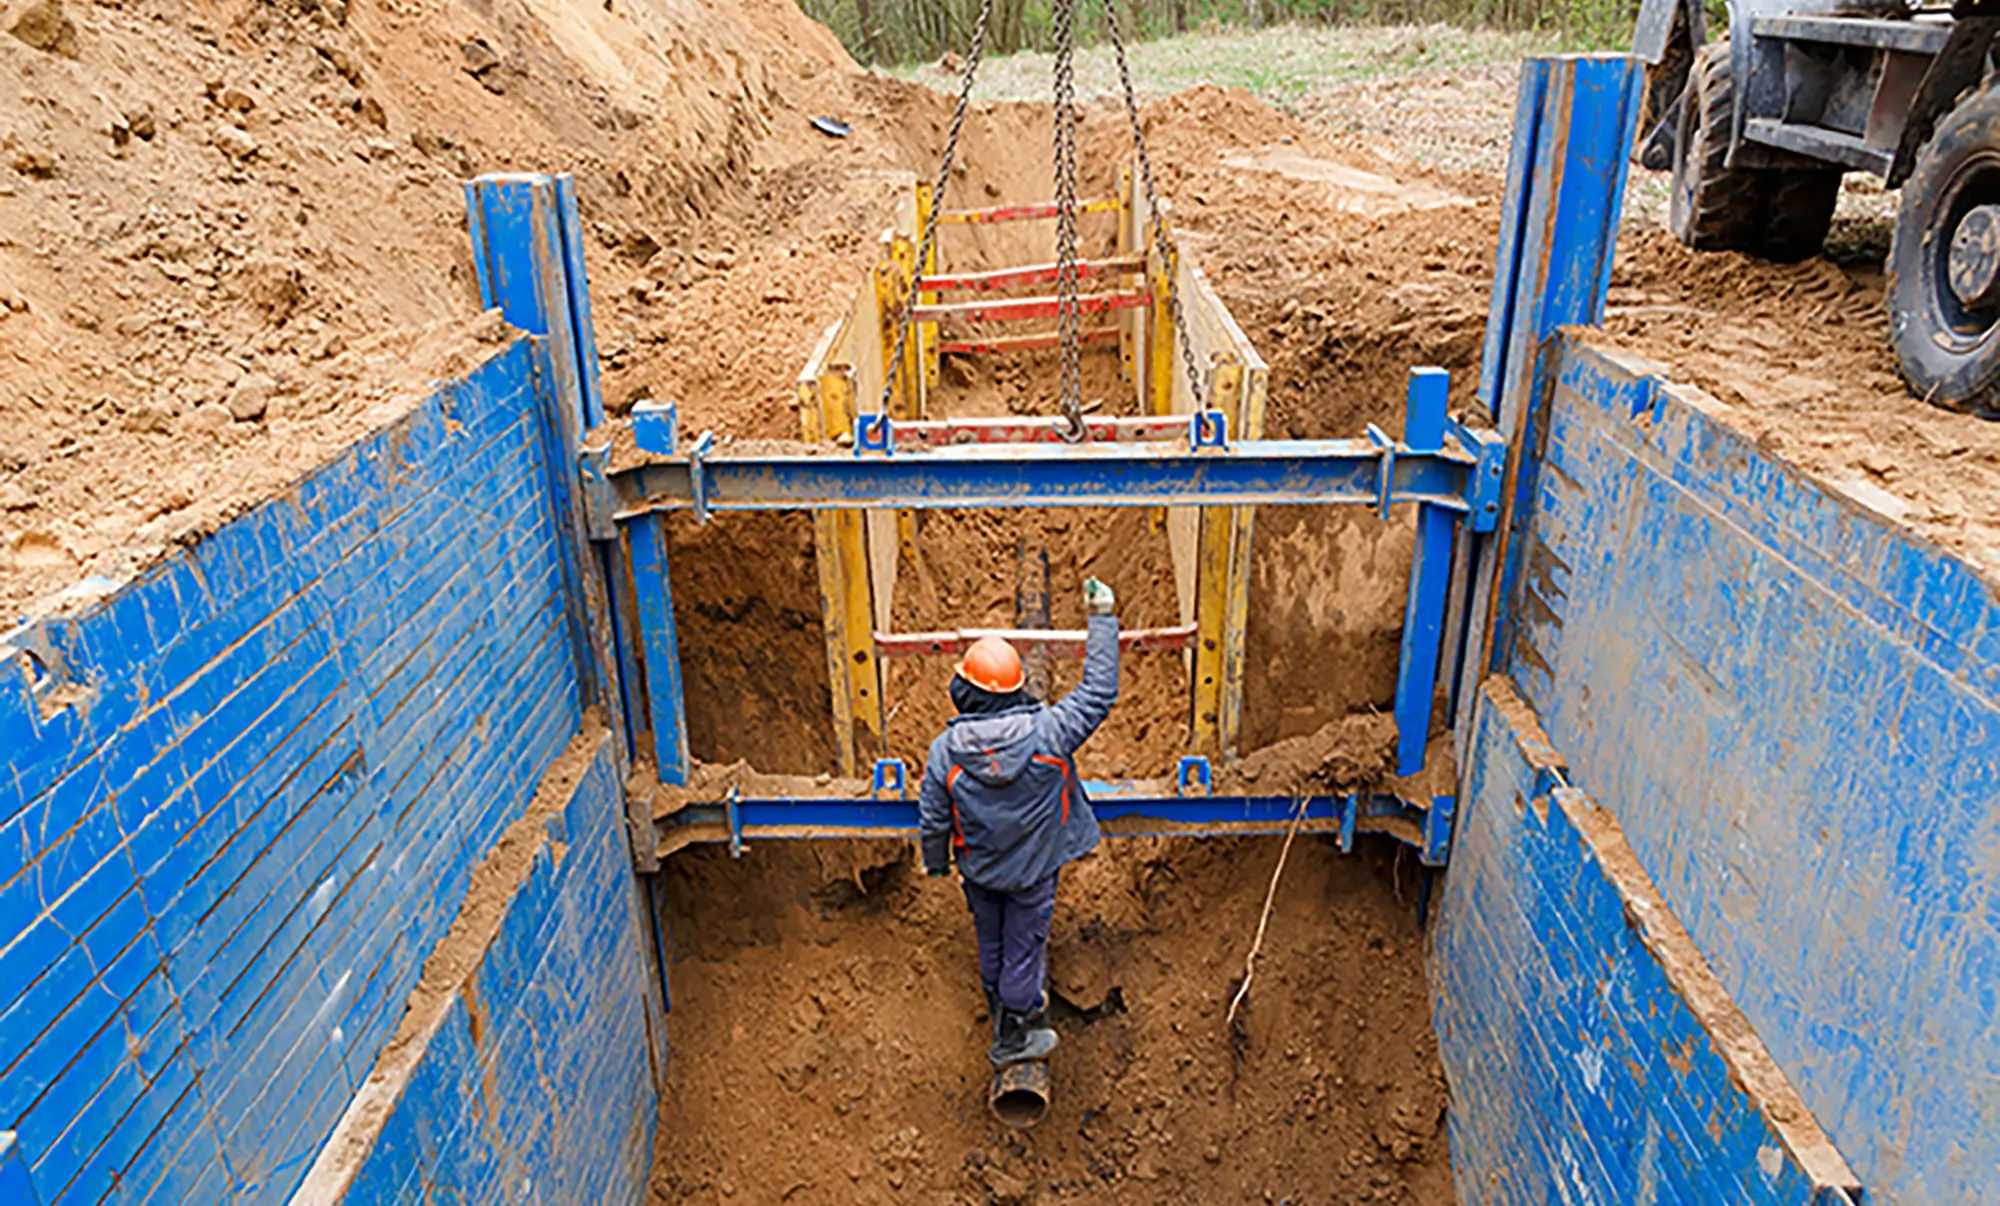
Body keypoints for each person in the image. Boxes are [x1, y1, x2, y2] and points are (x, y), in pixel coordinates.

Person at [918, 576, 1120, 1067]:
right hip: (1033, 871)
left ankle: (999, 1006)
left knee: (991, 939)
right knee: (1024, 948)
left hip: (981, 871)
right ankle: (1013, 1034)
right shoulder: (1049, 733)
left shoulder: (945, 752)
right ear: (1015, 690)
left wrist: (937, 862)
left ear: (964, 690)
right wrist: (1102, 618)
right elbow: (1098, 693)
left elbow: (933, 817)